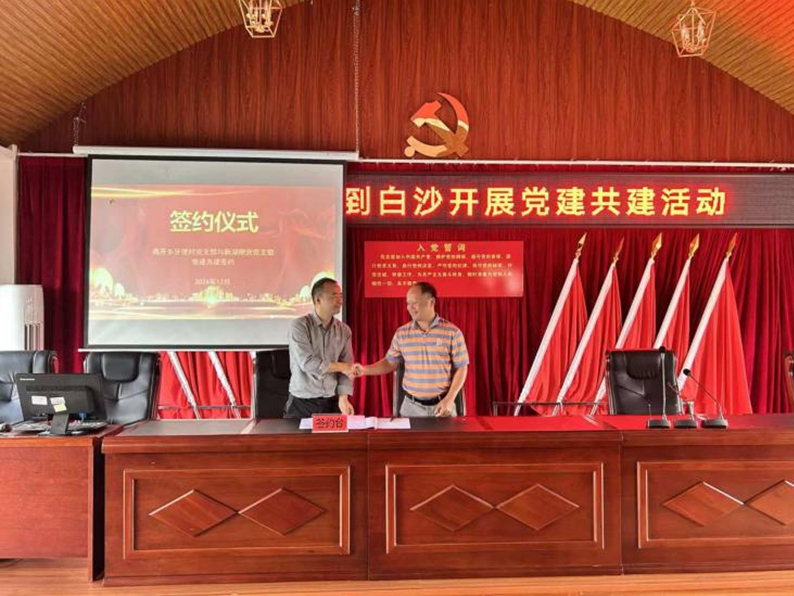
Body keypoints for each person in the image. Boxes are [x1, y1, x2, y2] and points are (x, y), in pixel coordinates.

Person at [353, 282, 468, 417]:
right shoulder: (402, 333)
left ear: (431, 302)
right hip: (411, 408)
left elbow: (461, 368)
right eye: (408, 303)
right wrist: (364, 370)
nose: (409, 308)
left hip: (443, 406)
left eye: (414, 303)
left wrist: (450, 398)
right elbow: (390, 362)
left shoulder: (452, 332)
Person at [285, 277, 355, 418]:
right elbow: (307, 363)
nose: (340, 300)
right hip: (302, 403)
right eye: (334, 295)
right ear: (318, 300)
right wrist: (343, 367)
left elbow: (347, 367)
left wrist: (343, 397)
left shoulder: (344, 330)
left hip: (331, 402)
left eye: (340, 295)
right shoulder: (300, 326)